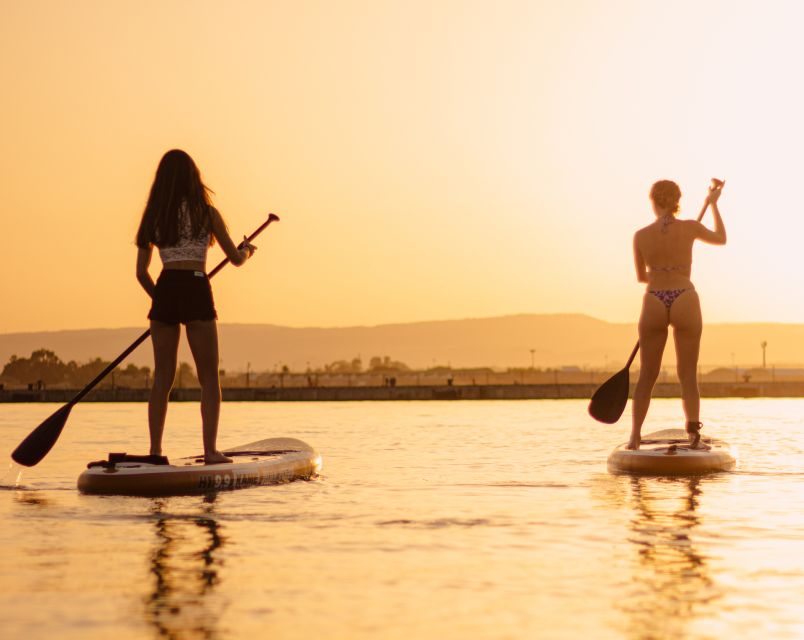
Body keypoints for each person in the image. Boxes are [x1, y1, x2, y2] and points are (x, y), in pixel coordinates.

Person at [135, 149, 256, 464]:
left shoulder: (153, 216)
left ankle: (155, 452)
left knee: (163, 376)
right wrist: (247, 251)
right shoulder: (207, 213)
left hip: (165, 288)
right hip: (196, 286)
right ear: (194, 177)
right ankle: (211, 451)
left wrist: (161, 300)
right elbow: (236, 259)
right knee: (208, 377)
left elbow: (140, 273)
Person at [628, 179, 726, 450]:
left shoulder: (640, 235)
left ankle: (635, 437)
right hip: (684, 297)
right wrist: (714, 205)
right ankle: (693, 435)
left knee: (647, 375)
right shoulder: (690, 228)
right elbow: (721, 238)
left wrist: (661, 272)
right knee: (687, 374)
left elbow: (640, 277)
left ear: (654, 201)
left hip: (655, 300)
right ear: (676, 201)